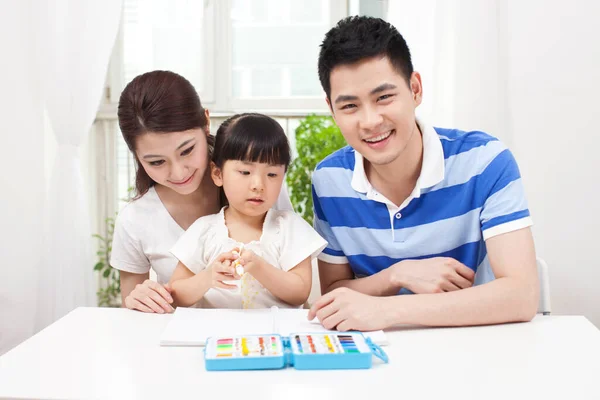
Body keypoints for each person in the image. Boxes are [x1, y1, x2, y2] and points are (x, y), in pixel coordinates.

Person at [308, 16, 539, 331]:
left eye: (384, 97)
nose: (370, 121)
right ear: (331, 109)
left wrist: (388, 311)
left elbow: (521, 295)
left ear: (415, 89)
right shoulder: (329, 179)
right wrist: (397, 274)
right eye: (349, 106)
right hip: (378, 358)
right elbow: (335, 294)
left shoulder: (484, 161)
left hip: (478, 350)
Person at [111, 71, 293, 313]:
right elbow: (131, 309)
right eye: (156, 162)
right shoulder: (135, 219)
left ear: (206, 122)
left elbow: (295, 281)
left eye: (186, 151)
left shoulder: (259, 186)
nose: (178, 173)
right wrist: (139, 299)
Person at [168, 113, 327, 309]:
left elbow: (300, 293)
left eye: (272, 174)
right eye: (245, 172)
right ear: (218, 174)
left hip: (274, 335)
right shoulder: (204, 229)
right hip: (216, 335)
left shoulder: (289, 226)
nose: (258, 185)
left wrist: (259, 268)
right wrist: (208, 276)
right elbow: (176, 293)